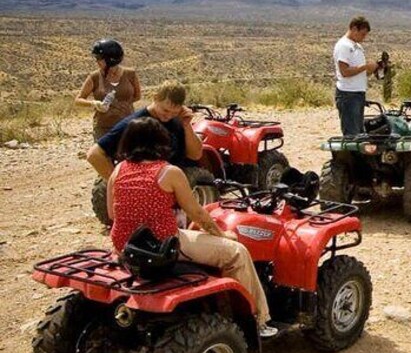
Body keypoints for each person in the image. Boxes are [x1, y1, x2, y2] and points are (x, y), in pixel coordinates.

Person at [107, 117, 277, 337]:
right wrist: (222, 234)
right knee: (237, 253)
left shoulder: (118, 170)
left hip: (125, 245)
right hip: (162, 246)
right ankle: (258, 319)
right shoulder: (169, 172)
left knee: (193, 235)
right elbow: (196, 213)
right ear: (160, 141)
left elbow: (112, 213)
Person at [87, 81, 202, 180]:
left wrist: (187, 126)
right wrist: (118, 185)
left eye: (174, 112)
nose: (168, 116)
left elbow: (195, 155)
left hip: (174, 181)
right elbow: (94, 154)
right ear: (155, 98)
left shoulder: (178, 120)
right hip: (148, 187)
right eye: (165, 110)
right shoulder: (135, 123)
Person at [75, 38, 142, 141]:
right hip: (103, 129)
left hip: (128, 126)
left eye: (99, 58)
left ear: (111, 59)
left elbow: (138, 96)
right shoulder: (95, 77)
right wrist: (94, 103)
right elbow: (78, 100)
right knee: (103, 156)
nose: (96, 61)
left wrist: (122, 105)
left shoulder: (130, 74)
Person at [333, 16, 380, 136]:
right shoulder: (344, 45)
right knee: (351, 133)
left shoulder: (358, 47)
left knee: (359, 131)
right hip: (348, 94)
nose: (364, 38)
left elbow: (360, 72)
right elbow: (345, 72)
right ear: (354, 29)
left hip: (358, 93)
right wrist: (365, 66)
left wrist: (371, 68)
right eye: (362, 34)